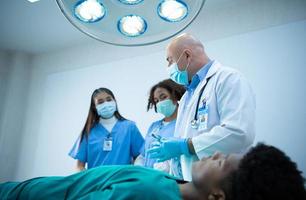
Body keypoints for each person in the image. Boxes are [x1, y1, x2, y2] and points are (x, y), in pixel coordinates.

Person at [1, 143, 305, 199]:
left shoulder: (149, 194)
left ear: (217, 195)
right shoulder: (174, 184)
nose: (214, 154)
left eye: (221, 162)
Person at [148, 33, 256, 181]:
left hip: (225, 183)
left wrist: (186, 146)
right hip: (195, 186)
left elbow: (238, 133)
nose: (168, 67)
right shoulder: (187, 96)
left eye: (170, 61)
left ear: (186, 55)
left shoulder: (228, 78)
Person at [69, 87, 144, 171]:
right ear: (94, 107)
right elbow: (79, 166)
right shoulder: (88, 132)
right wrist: (88, 181)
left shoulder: (129, 127)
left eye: (109, 100)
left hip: (122, 180)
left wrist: (136, 171)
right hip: (97, 182)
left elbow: (140, 155)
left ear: (114, 101)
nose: (106, 104)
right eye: (100, 102)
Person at [135, 79, 185, 176]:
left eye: (163, 97)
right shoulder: (154, 126)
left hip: (170, 179)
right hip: (148, 179)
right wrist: (139, 166)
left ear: (175, 96)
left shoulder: (183, 123)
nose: (160, 103)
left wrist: (166, 168)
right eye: (156, 100)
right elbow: (144, 154)